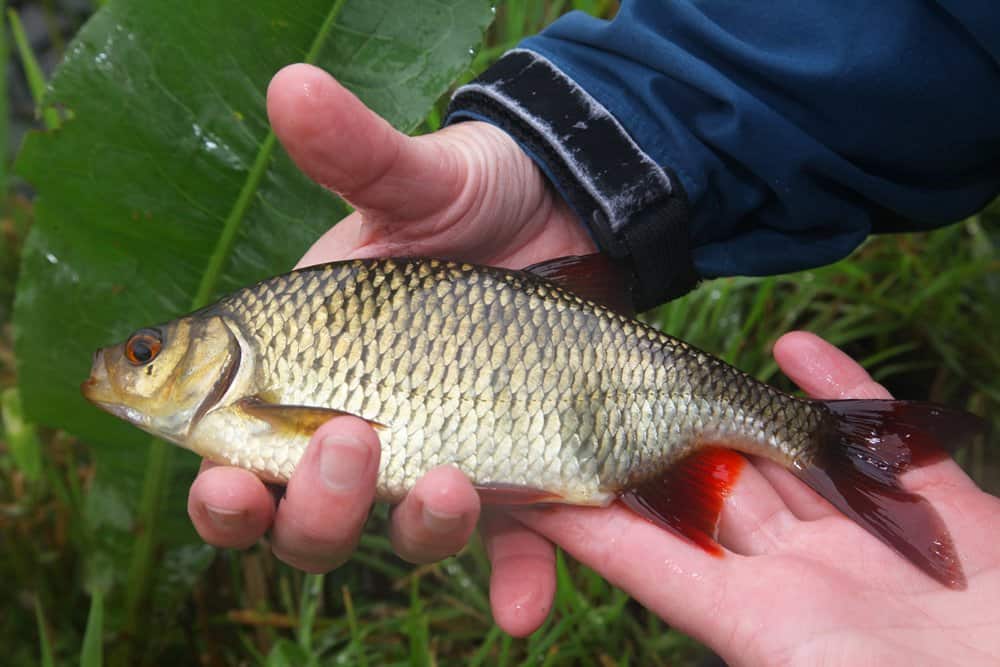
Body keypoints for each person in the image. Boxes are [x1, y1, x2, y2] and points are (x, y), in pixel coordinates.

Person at [188, 3, 1000, 662]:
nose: (133, 362)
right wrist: (568, 173)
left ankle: (825, 443)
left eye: (148, 352)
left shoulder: (260, 344)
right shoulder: (278, 327)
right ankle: (828, 448)